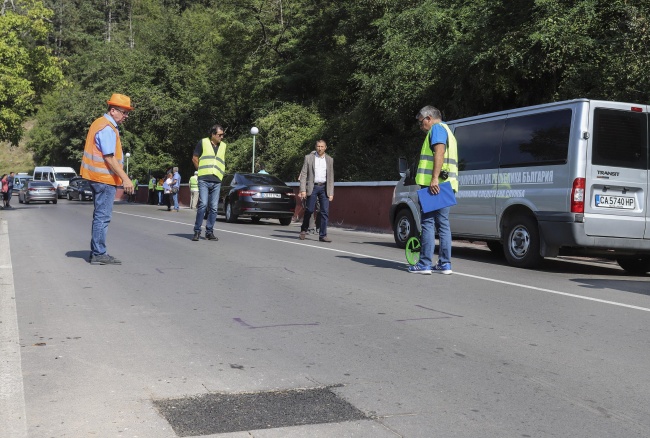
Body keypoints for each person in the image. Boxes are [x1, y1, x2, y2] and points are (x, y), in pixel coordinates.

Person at [80, 93, 134, 265]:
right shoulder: (107, 128)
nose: (126, 116)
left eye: (127, 113)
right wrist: (125, 178)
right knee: (102, 217)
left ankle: (97, 251)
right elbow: (109, 158)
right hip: (104, 179)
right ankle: (98, 253)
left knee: (100, 216)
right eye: (123, 112)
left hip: (98, 177)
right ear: (113, 110)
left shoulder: (99, 123)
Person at [408, 105, 459, 275]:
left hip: (435, 185)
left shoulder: (436, 129)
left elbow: (439, 152)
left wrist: (434, 178)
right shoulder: (448, 130)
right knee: (443, 224)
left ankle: (424, 264)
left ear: (429, 118)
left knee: (428, 223)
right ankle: (445, 264)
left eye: (421, 123)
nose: (421, 127)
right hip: (447, 184)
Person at [192, 124, 228, 241]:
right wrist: (200, 171)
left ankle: (209, 232)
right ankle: (197, 231)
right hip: (204, 179)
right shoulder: (203, 142)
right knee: (203, 205)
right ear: (212, 134)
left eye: (222, 135)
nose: (221, 137)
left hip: (217, 180)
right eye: (219, 135)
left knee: (214, 208)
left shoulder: (223, 146)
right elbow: (195, 158)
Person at [299, 140, 334, 242]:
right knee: (309, 210)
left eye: (322, 146)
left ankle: (323, 235)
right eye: (318, 146)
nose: (320, 148)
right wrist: (303, 190)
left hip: (324, 188)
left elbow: (331, 177)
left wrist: (331, 192)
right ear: (315, 147)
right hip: (312, 187)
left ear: (325, 147)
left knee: (324, 212)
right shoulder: (309, 158)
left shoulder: (329, 159)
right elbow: (304, 174)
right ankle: (303, 229)